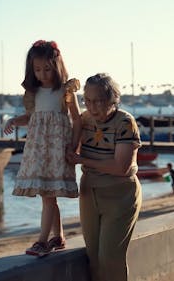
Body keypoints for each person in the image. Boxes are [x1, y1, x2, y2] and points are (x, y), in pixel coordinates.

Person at [3, 40, 82, 257]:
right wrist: (12, 121)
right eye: (38, 70)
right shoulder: (33, 93)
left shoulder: (65, 91)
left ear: (57, 66)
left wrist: (74, 146)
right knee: (49, 195)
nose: (43, 74)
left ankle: (42, 241)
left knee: (48, 196)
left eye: (47, 69)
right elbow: (30, 118)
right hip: (38, 150)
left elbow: (77, 120)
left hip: (57, 150)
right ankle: (58, 237)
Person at [66, 73, 142, 281]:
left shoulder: (125, 122)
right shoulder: (85, 120)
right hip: (89, 193)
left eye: (98, 101)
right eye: (87, 101)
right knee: (94, 259)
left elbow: (121, 167)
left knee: (110, 258)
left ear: (112, 100)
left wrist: (83, 161)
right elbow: (71, 145)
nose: (92, 107)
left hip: (120, 195)